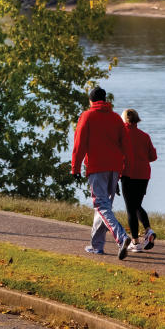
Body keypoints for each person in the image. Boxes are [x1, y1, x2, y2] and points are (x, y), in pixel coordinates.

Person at [71, 86, 131, 259]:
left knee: (101, 206)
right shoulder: (115, 118)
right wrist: (122, 171)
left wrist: (75, 167)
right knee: (104, 207)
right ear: (105, 100)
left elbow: (79, 143)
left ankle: (121, 237)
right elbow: (125, 146)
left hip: (97, 167)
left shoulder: (87, 116)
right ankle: (96, 246)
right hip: (114, 168)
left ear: (91, 101)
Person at [120, 108, 158, 252]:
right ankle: (148, 231)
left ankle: (135, 242)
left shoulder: (122, 134)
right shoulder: (144, 136)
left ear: (125, 120)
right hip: (143, 175)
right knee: (136, 205)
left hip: (128, 174)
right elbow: (153, 157)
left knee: (131, 208)